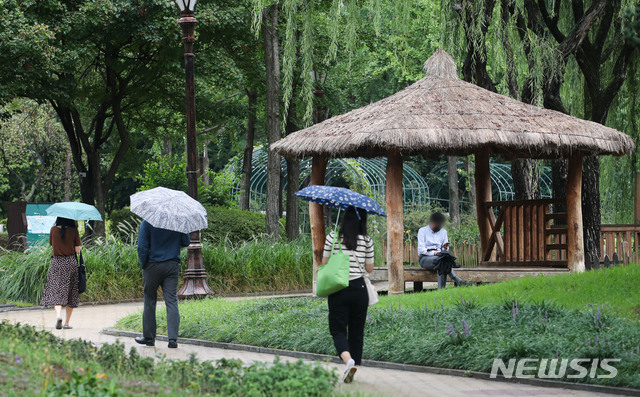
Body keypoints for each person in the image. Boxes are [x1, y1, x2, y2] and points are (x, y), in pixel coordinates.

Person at [322, 206, 374, 384]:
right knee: (357, 331)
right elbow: (369, 269)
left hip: (338, 288)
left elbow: (324, 262)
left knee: (337, 329)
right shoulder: (367, 240)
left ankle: (348, 360)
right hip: (359, 289)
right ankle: (354, 365)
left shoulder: (333, 236)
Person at [135, 220, 190, 349]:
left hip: (152, 265)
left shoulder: (147, 222)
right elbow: (186, 242)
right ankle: (172, 340)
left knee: (149, 299)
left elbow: (141, 247)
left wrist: (144, 264)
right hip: (172, 265)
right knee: (171, 300)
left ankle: (149, 338)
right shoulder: (177, 221)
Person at [40, 217, 82, 330]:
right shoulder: (73, 231)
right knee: (71, 292)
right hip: (70, 263)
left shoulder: (53, 230)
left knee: (56, 290)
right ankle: (67, 323)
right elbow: (78, 250)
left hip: (57, 263)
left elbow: (51, 244)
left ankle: (58, 316)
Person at [417, 212, 468, 289]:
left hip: (440, 257)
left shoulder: (443, 232)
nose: (440, 226)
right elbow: (421, 250)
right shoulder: (422, 231)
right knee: (442, 260)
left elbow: (445, 249)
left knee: (442, 262)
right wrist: (434, 253)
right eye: (438, 224)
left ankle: (442, 290)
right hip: (425, 258)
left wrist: (444, 247)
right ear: (432, 222)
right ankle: (457, 280)